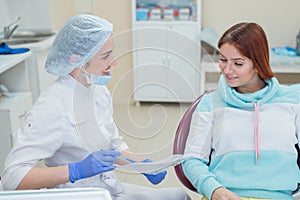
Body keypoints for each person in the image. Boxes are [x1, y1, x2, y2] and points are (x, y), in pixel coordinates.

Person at [1, 14, 190, 200]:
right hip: (75, 194)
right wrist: (76, 170)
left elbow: (112, 145)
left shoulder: (97, 90)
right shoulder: (52, 107)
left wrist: (142, 165)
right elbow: (12, 177)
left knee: (180, 195)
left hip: (104, 187)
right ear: (76, 59)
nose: (114, 62)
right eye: (105, 56)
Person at [182, 22, 300, 200]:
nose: (227, 70)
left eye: (238, 63)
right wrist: (214, 190)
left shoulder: (293, 99)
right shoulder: (210, 103)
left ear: (258, 63)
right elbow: (191, 159)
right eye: (222, 60)